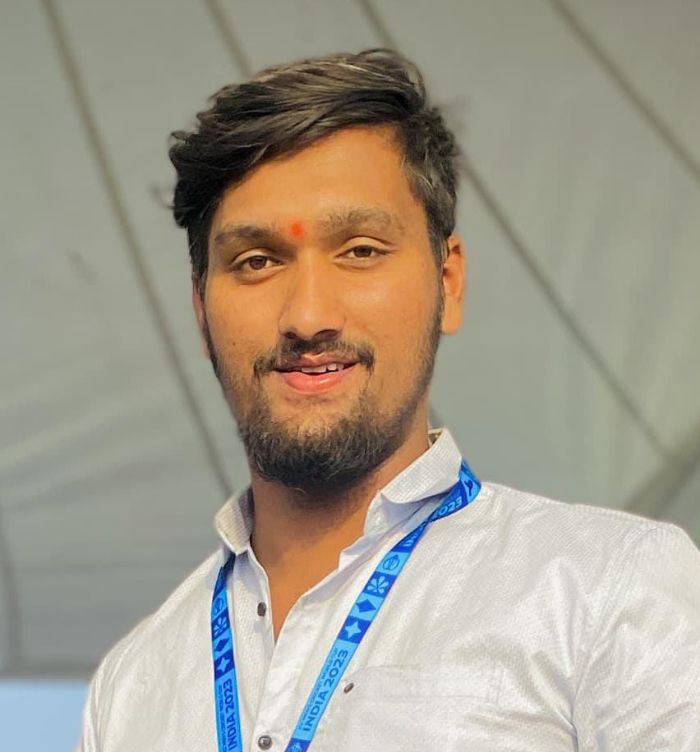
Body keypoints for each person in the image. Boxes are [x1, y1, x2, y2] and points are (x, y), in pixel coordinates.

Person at [77, 48, 700, 752]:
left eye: (361, 250)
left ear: (448, 283)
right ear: (200, 313)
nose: (307, 316)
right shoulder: (132, 688)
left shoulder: (608, 590)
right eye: (257, 261)